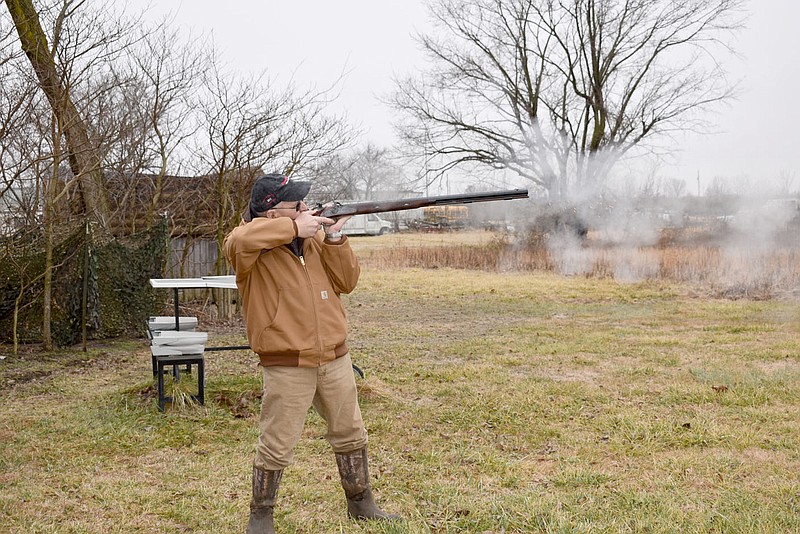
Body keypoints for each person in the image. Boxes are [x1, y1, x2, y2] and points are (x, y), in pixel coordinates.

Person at [223, 173, 399, 533]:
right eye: (296, 205)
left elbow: (347, 282)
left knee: (350, 432)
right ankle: (261, 518)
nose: (305, 209)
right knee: (276, 443)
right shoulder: (246, 244)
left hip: (334, 355)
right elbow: (241, 237)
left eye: (304, 204)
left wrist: (334, 235)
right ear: (270, 213)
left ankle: (361, 504)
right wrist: (295, 228)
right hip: (287, 361)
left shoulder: (316, 239)